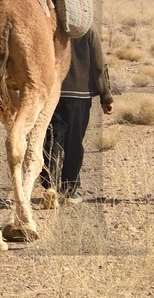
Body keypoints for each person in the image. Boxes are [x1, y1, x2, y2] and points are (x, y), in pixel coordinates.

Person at [39, 29, 114, 203]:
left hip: (52, 92)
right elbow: (98, 64)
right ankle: (69, 189)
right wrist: (106, 95)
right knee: (74, 142)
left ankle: (50, 185)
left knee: (52, 139)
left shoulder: (50, 25)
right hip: (79, 94)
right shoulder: (86, 30)